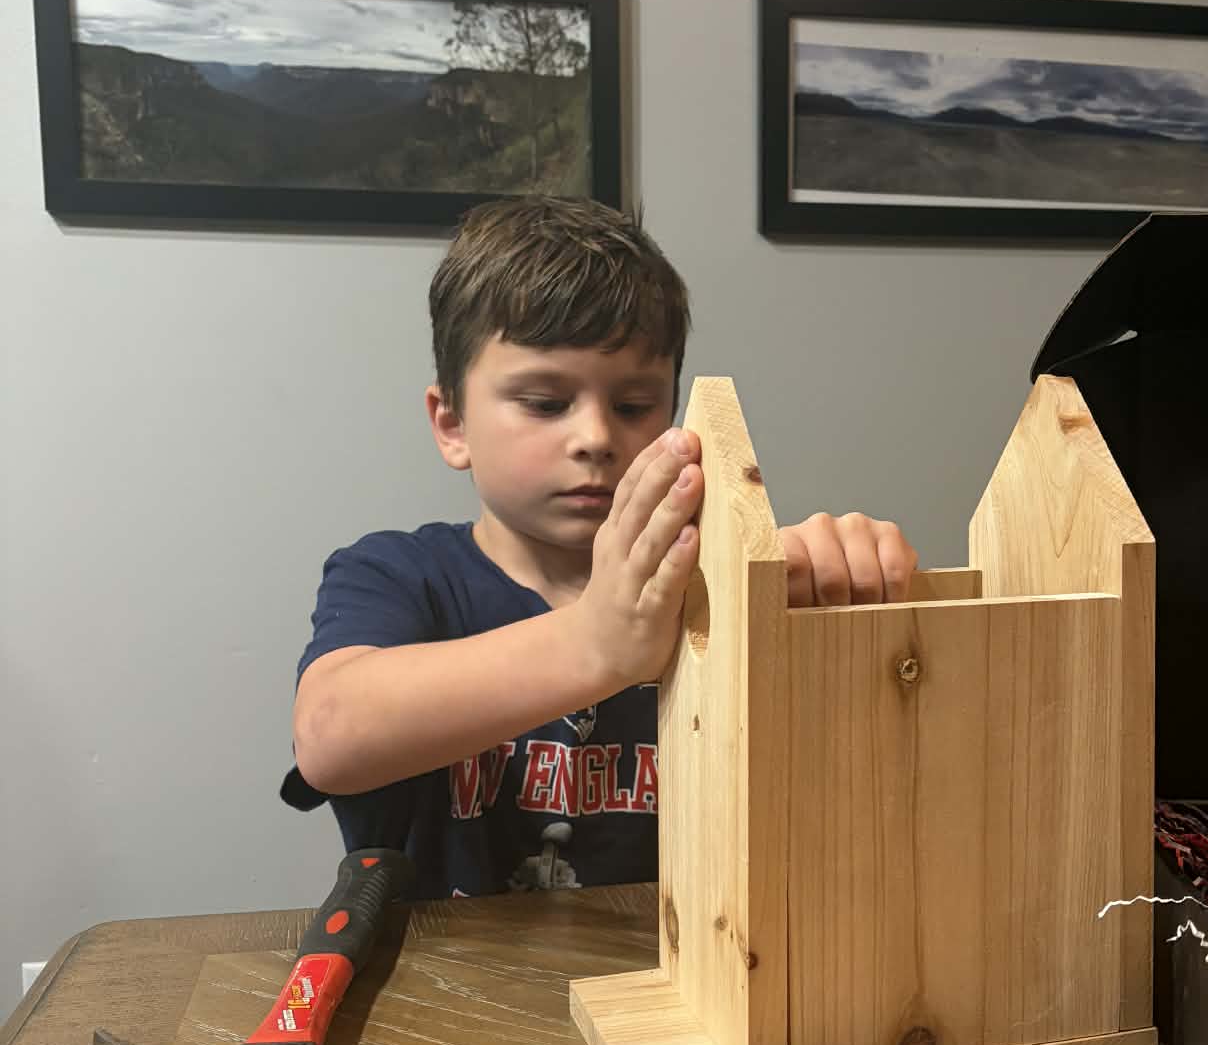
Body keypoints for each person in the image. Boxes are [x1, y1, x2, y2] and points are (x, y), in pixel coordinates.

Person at [282, 196, 918, 897]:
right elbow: (329, 738)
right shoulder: (401, 575)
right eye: (545, 403)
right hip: (448, 994)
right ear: (453, 423)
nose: (596, 438)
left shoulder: (711, 586)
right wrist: (596, 643)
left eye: (634, 405)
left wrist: (840, 602)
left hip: (669, 984)